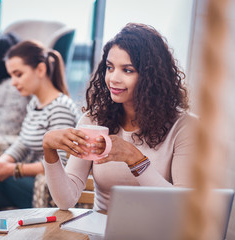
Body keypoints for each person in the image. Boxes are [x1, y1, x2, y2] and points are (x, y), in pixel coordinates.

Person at [42, 23, 196, 211]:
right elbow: (66, 200)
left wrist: (134, 158)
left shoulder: (184, 127)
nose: (113, 78)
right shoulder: (94, 121)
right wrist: (49, 149)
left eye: (127, 70)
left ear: (151, 76)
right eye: (109, 67)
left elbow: (181, 207)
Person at [0, 40, 81, 213]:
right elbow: (22, 143)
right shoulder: (34, 103)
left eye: (18, 74)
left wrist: (13, 169)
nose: (13, 82)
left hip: (45, 187)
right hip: (24, 183)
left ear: (40, 69)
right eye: (11, 76)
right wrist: (1, 164)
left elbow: (61, 163)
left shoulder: (60, 107)